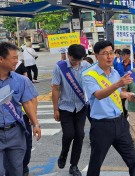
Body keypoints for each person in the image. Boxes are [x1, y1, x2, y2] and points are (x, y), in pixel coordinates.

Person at [82, 41, 135, 176]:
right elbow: (98, 95)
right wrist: (118, 84)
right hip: (102, 126)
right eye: (105, 53)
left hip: (120, 123)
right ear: (96, 55)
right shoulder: (89, 75)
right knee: (95, 163)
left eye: (111, 53)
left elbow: (115, 93)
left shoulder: (115, 73)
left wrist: (127, 95)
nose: (109, 56)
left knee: (134, 160)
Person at [0, 42, 41, 176]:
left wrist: (35, 123)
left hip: (15, 132)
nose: (17, 61)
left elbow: (27, 103)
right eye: (13, 58)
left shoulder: (21, 80)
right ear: (1, 59)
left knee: (16, 170)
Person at [51, 44, 91, 176]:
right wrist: (55, 109)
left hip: (81, 107)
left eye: (79, 60)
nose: (77, 63)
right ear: (69, 56)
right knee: (69, 134)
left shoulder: (86, 66)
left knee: (79, 135)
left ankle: (74, 165)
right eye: (74, 60)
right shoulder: (60, 67)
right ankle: (63, 154)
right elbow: (55, 88)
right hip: (65, 107)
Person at [115, 48, 134, 118]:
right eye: (121, 55)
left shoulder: (133, 65)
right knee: (121, 102)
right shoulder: (118, 65)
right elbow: (115, 74)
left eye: (123, 54)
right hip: (122, 86)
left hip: (131, 85)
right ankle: (124, 114)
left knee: (133, 101)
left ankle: (132, 114)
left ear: (128, 55)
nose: (122, 56)